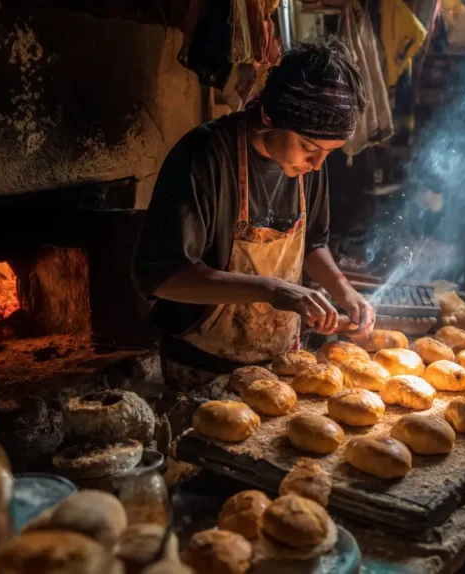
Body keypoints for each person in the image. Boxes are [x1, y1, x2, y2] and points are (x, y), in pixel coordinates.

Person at [133, 38, 376, 394]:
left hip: (282, 366)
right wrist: (271, 289)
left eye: (329, 153)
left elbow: (313, 244)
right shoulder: (204, 157)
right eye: (309, 147)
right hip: (203, 369)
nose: (316, 164)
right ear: (268, 117)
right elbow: (162, 276)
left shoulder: (310, 165)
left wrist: (345, 291)